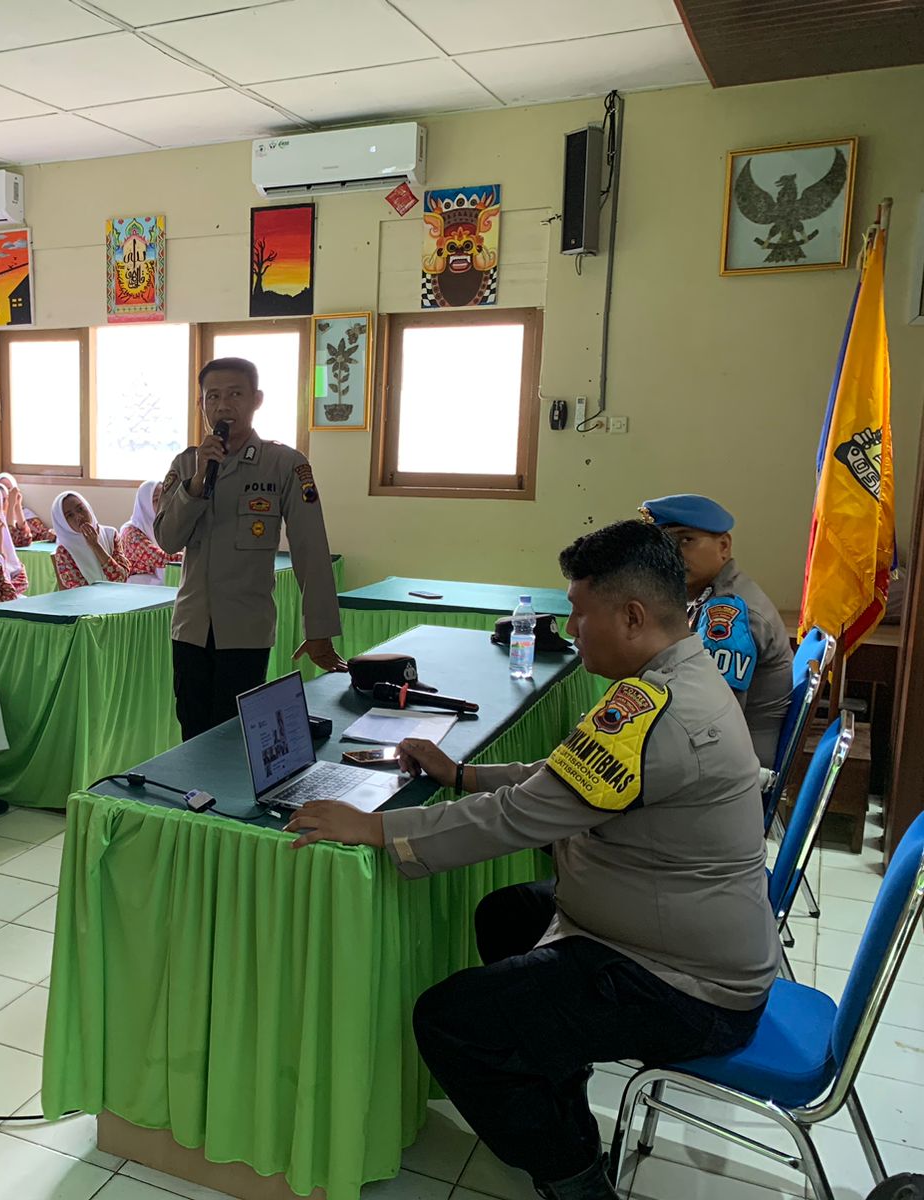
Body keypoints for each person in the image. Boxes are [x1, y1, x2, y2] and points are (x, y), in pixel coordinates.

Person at [285, 521, 777, 1200]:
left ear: (632, 616)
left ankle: (575, 1178)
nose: (570, 629)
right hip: (670, 932)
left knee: (453, 1021)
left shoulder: (661, 712)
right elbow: (565, 776)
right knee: (507, 914)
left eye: (580, 612)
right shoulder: (676, 676)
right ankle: (556, 1086)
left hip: (687, 985)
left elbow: (518, 818)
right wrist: (462, 775)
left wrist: (376, 828)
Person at [156, 357, 345, 739]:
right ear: (201, 404)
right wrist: (196, 484)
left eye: (235, 394)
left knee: (234, 738)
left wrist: (319, 629)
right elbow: (167, 540)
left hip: (245, 632)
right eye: (213, 396)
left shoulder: (284, 464)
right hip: (191, 629)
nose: (223, 405)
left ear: (256, 400)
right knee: (192, 736)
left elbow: (311, 548)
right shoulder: (187, 464)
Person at [639, 494, 793, 768]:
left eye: (686, 540)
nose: (673, 554)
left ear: (723, 546)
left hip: (732, 766)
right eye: (664, 543)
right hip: (724, 752)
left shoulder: (728, 612)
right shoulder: (706, 595)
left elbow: (710, 715)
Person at [52, 490, 129, 589]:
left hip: (118, 594)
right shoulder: (64, 550)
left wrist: (96, 545)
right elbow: (79, 591)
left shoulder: (110, 534)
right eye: (70, 515)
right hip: (88, 598)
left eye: (80, 509)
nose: (79, 517)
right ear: (62, 523)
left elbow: (121, 578)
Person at [119, 479, 181, 584]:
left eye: (164, 499)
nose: (162, 504)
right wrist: (190, 556)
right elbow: (159, 558)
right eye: (156, 500)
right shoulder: (130, 533)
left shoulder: (161, 525)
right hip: (137, 586)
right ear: (144, 504)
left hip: (155, 583)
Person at [0, 472, 53, 545]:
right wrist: (11, 506)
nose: (6, 494)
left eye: (9, 489)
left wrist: (17, 506)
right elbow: (10, 540)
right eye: (1, 490)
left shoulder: (25, 513)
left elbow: (32, 536)